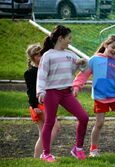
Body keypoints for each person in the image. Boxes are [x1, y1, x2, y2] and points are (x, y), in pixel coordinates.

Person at [37, 25, 89, 162]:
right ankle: (45, 154)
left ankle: (78, 149)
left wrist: (82, 62)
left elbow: (84, 69)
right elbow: (41, 75)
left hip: (66, 93)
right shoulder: (48, 56)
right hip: (51, 93)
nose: (70, 41)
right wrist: (40, 91)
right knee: (49, 123)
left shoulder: (71, 55)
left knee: (84, 117)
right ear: (60, 38)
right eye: (69, 38)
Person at [24, 44, 60, 158]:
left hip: (46, 104)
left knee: (43, 132)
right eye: (38, 55)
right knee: (55, 127)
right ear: (32, 58)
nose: (42, 57)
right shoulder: (30, 73)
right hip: (38, 105)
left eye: (42, 54)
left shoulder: (46, 69)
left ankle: (38, 157)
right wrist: (34, 106)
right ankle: (45, 154)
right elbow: (31, 91)